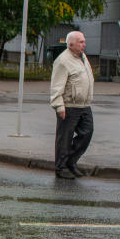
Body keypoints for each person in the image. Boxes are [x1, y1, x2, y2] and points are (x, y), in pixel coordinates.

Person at [49, 30, 95, 179]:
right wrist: (59, 106)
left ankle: (70, 161)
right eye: (80, 42)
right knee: (64, 139)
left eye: (84, 41)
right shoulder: (63, 61)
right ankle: (61, 168)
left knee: (87, 133)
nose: (84, 44)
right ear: (71, 44)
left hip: (84, 105)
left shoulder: (83, 57)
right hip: (68, 105)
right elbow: (56, 86)